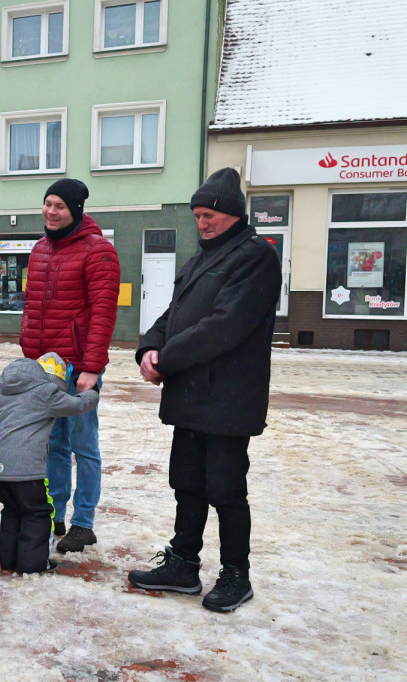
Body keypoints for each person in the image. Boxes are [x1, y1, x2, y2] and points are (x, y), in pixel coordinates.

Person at [127, 168, 281, 613]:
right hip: (191, 394)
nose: (203, 222)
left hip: (230, 397)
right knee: (187, 484)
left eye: (210, 214)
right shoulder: (198, 261)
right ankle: (183, 563)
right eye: (197, 214)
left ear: (233, 214)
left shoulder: (255, 257)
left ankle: (237, 573)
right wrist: (148, 349)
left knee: (226, 488)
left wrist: (167, 359)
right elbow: (171, 315)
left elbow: (224, 327)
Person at [20, 178, 120, 553]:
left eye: (59, 206)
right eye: (47, 203)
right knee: (53, 445)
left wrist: (92, 368)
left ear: (76, 210)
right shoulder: (40, 249)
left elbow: (103, 313)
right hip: (45, 367)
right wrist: (28, 352)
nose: (51, 211)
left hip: (79, 365)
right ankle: (54, 512)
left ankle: (84, 522)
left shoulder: (99, 251)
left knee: (83, 444)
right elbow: (32, 306)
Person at [0, 353, 100, 575]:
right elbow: (76, 405)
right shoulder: (46, 392)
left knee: (12, 511)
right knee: (38, 513)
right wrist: (92, 394)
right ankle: (32, 564)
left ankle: (9, 562)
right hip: (27, 470)